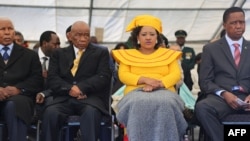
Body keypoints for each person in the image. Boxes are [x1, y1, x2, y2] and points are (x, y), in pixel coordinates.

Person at [112, 15, 187, 141]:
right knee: (138, 103)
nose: (148, 37)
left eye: (152, 34)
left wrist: (159, 84)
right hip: (135, 91)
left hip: (164, 90)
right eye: (144, 34)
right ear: (137, 37)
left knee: (166, 103)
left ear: (157, 37)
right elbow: (123, 75)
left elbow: (175, 74)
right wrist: (145, 80)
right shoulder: (127, 55)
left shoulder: (168, 55)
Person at [41, 20, 112, 141]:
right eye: (78, 35)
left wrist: (82, 88)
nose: (83, 39)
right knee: (50, 113)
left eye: (86, 35)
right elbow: (52, 78)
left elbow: (104, 76)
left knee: (91, 113)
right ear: (69, 36)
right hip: (64, 98)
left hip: (90, 99)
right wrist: (70, 89)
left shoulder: (101, 52)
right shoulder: (58, 53)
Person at [195, 7, 250, 141]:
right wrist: (224, 94)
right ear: (224, 25)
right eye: (233, 23)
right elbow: (205, 81)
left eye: (241, 22)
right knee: (202, 108)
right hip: (221, 99)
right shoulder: (210, 49)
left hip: (247, 97)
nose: (238, 26)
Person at [0, 17, 43, 141]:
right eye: (3, 29)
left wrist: (19, 89)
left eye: (10, 29)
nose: (7, 32)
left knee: (15, 106)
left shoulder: (30, 55)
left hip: (20, 99)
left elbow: (37, 80)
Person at [35, 30, 60, 104]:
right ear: (44, 43)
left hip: (50, 95)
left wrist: (44, 94)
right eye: (55, 44)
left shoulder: (59, 58)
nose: (58, 47)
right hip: (30, 94)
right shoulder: (29, 56)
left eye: (59, 44)